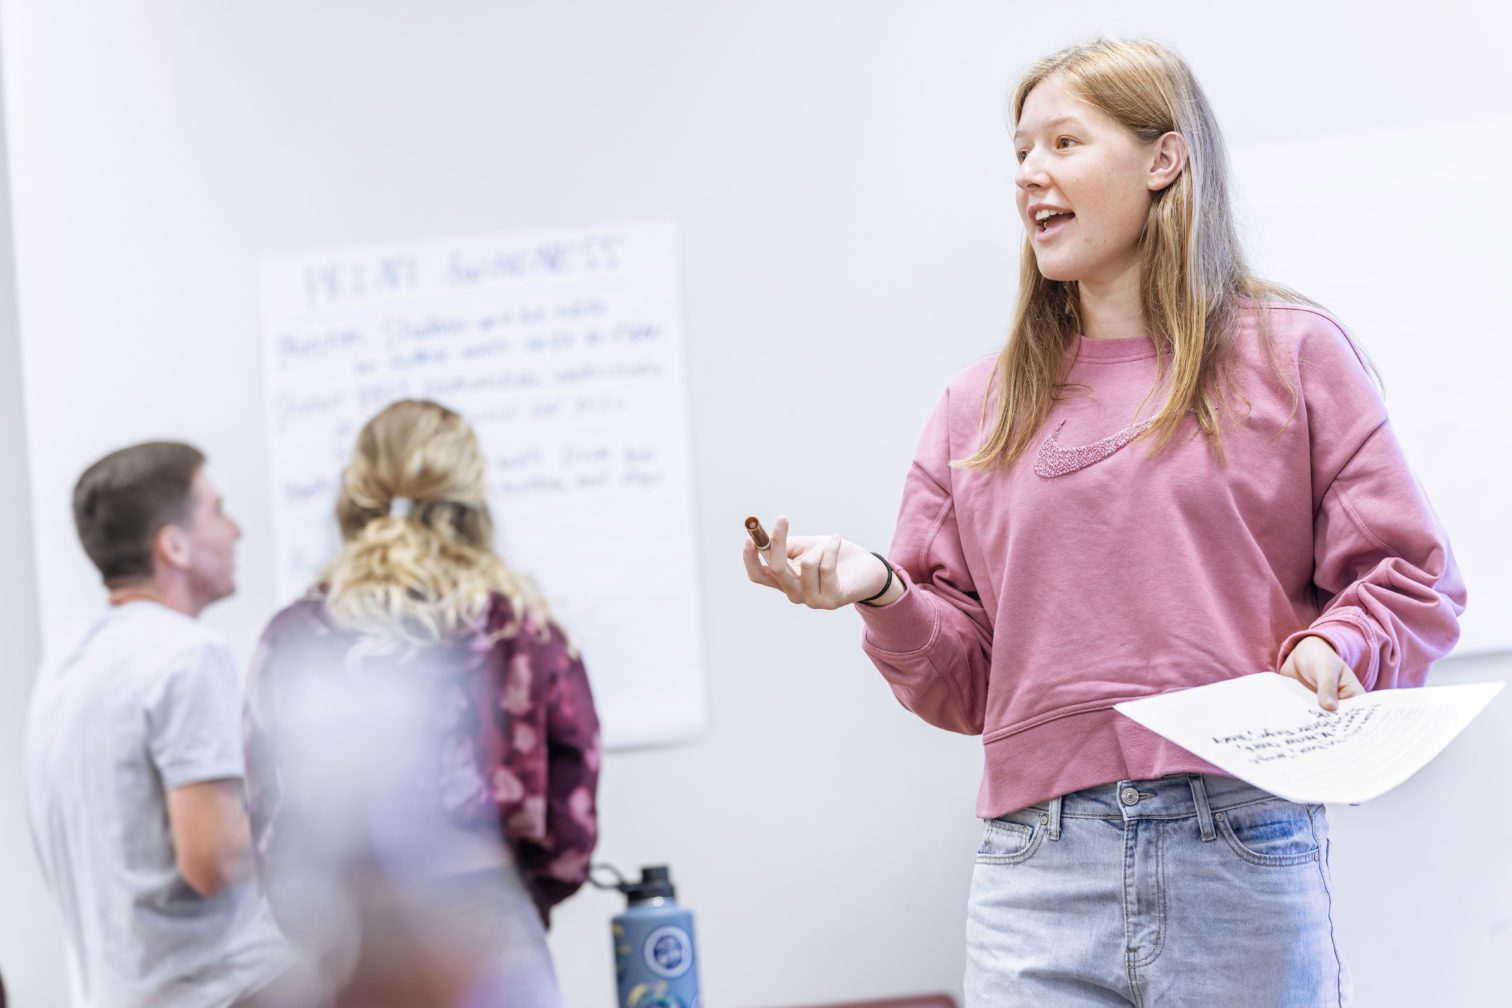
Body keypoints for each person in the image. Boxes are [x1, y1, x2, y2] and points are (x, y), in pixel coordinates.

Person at [742, 38, 1464, 1007]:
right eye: (1020, 150)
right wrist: (879, 588)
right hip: (1034, 871)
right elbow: (964, 687)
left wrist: (1340, 646)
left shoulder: (1291, 356)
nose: (1029, 174)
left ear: (1162, 160)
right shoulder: (976, 409)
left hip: (1239, 844)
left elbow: (1410, 580)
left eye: (1064, 142)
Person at [243, 399, 600, 1008]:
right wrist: (510, 902)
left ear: (354, 496)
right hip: (495, 943)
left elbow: (271, 823)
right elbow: (571, 824)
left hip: (357, 952)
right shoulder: (520, 628)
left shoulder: (295, 637)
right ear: (469, 498)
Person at [25, 442, 293, 1008]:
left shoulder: (68, 661)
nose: (236, 531)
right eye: (217, 511)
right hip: (226, 994)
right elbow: (213, 859)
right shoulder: (188, 655)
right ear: (173, 545)